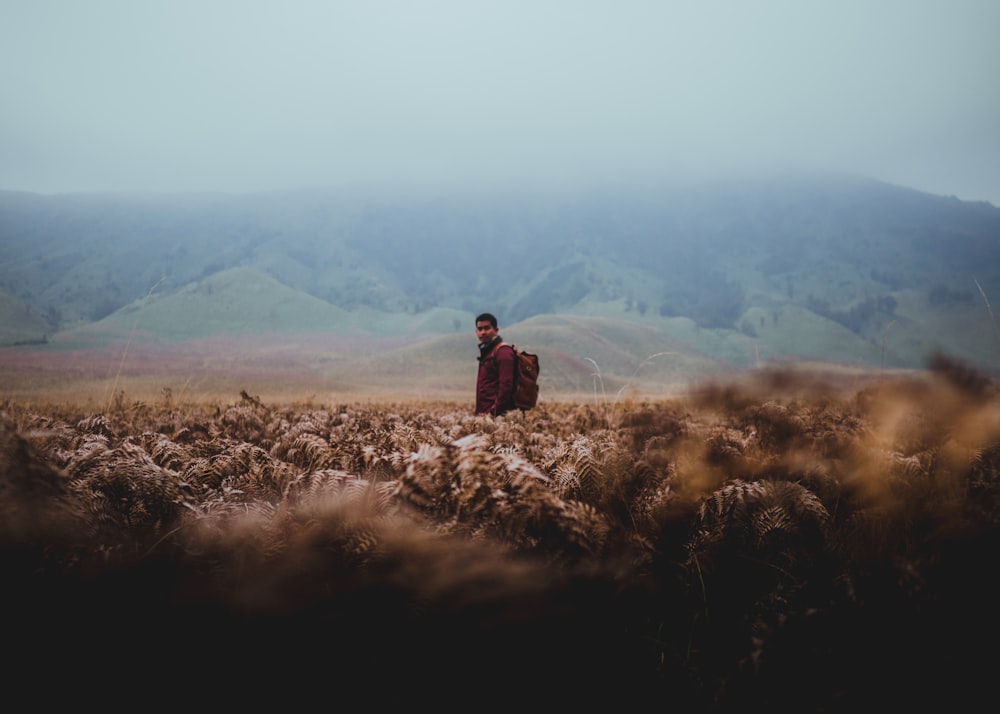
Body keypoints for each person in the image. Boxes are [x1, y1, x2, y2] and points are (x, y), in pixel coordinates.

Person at [475, 312, 516, 416]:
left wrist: (494, 412)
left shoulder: (503, 352)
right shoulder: (488, 352)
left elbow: (506, 386)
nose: (483, 332)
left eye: (487, 328)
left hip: (499, 416)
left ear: (496, 330)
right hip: (485, 413)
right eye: (480, 329)